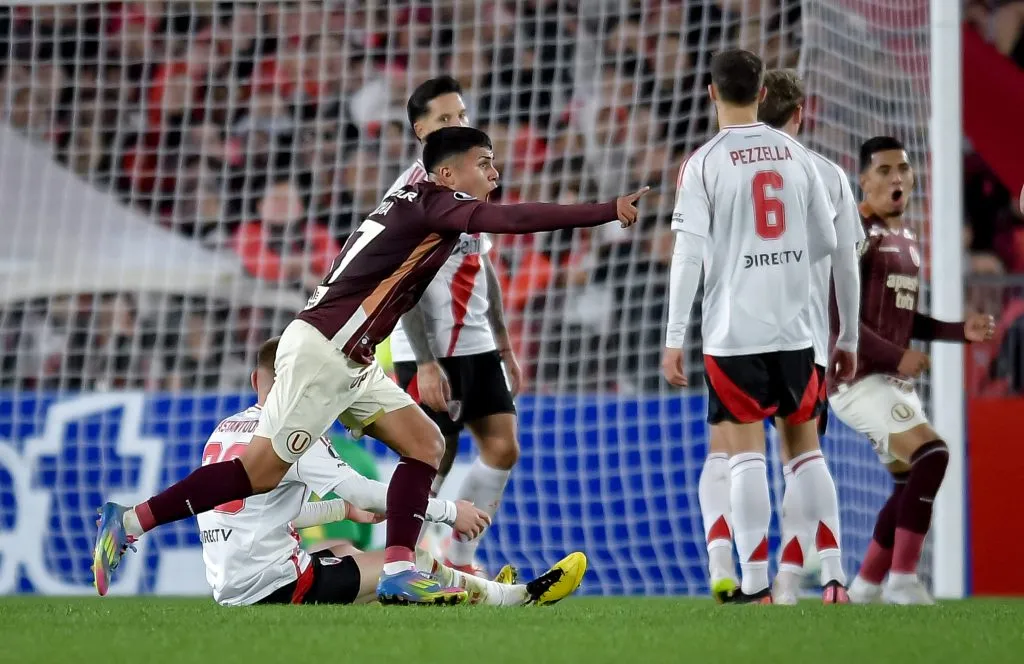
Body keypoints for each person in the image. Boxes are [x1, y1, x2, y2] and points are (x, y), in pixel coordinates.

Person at [93, 125, 648, 605]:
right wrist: (606, 210)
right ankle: (131, 520)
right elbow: (514, 219)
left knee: (426, 444)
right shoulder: (435, 201)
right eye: (484, 164)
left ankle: (402, 571)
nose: (494, 173)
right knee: (258, 473)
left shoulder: (414, 197)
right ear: (449, 173)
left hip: (351, 354)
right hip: (325, 349)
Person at [660, 49, 849, 604]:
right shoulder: (800, 157)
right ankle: (835, 577)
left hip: (732, 331)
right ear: (764, 93)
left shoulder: (703, 163)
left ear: (712, 92)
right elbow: (827, 242)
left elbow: (687, 256)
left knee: (743, 456)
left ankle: (756, 584)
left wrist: (675, 337)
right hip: (796, 330)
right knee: (806, 452)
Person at [197, 336, 581, 607]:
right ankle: (515, 598)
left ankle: (463, 593)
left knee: (343, 548)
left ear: (255, 381)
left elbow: (259, 513)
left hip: (231, 583)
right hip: (274, 585)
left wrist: (341, 511)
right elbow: (362, 492)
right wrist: (449, 512)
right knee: (408, 563)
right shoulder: (294, 430)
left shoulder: (225, 431)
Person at [831, 136, 995, 605]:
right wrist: (895, 357)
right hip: (857, 377)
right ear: (861, 179)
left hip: (887, 377)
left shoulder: (904, 238)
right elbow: (838, 318)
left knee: (907, 479)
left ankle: (864, 587)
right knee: (933, 454)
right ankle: (902, 580)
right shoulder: (854, 234)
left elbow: (906, 320)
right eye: (883, 171)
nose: (896, 177)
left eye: (902, 168)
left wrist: (959, 330)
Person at [385, 77, 522, 576]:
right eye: (445, 119)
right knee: (432, 459)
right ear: (420, 131)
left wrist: (504, 342)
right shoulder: (412, 193)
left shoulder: (469, 183)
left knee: (502, 447)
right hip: (427, 347)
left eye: (460, 115)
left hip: (477, 342)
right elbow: (403, 283)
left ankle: (459, 558)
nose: (458, 125)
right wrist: (424, 362)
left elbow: (482, 265)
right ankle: (413, 566)